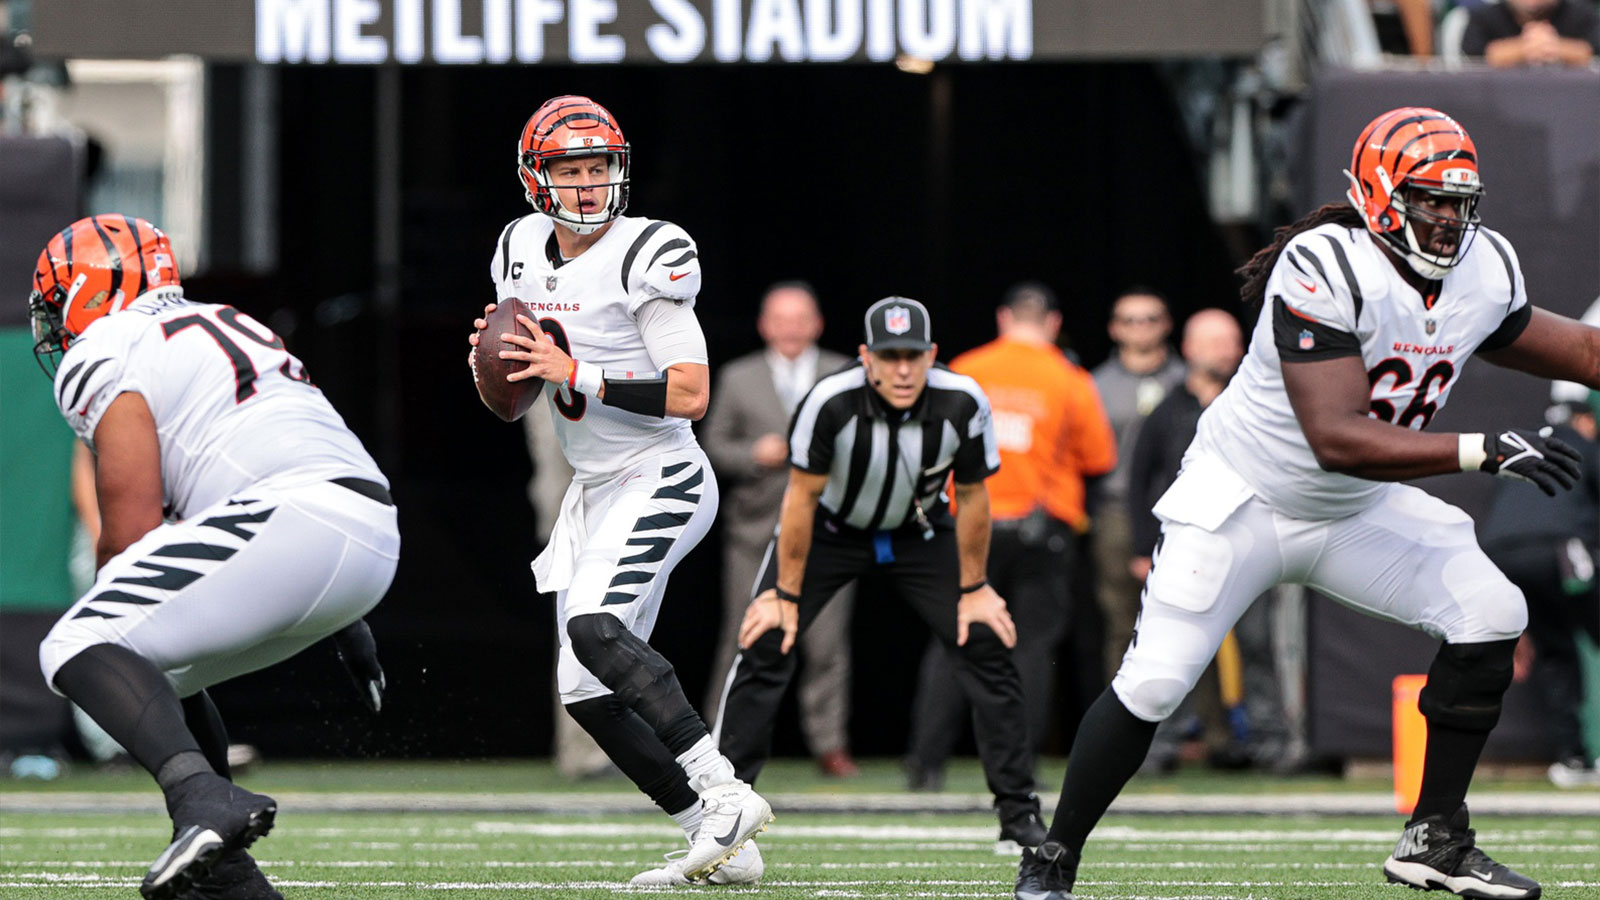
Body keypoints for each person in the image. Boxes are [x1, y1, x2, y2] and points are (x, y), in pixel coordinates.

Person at [1015, 106, 1596, 900]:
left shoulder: (1484, 267)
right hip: (1246, 500)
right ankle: (1052, 856)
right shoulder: (1324, 262)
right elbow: (1336, 436)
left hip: (1353, 508)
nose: (1448, 219)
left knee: (1492, 610)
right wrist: (1483, 449)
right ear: (1378, 193)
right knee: (1155, 682)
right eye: (1429, 199)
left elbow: (1586, 351)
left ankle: (1436, 840)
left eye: (1460, 202)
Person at [27, 215, 398, 900]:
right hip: (365, 530)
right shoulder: (232, 323)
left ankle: (204, 801)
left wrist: (117, 650)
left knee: (79, 643)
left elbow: (131, 529)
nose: (55, 329)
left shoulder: (108, 345)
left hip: (292, 519)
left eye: (57, 305)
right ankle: (228, 870)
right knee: (162, 667)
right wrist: (347, 618)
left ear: (87, 290)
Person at [466, 95, 771, 886]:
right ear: (539, 178)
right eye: (572, 170)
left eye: (601, 167)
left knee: (598, 627)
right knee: (581, 684)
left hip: (661, 473)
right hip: (596, 487)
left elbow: (691, 393)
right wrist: (498, 358)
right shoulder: (518, 245)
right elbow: (521, 375)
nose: (590, 185)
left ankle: (723, 788)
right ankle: (712, 833)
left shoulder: (649, 252)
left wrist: (580, 374)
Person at [717, 296, 1048, 854]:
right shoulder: (830, 401)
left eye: (912, 356)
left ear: (932, 356)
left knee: (985, 639)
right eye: (889, 356)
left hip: (918, 531)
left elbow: (970, 496)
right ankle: (725, 814)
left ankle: (1020, 818)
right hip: (831, 529)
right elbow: (800, 499)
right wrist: (784, 593)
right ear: (865, 357)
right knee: (766, 637)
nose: (901, 369)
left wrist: (974, 588)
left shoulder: (962, 400)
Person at [905, 282, 1115, 789]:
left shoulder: (967, 368)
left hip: (968, 526)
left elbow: (923, 441)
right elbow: (1099, 459)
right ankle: (1016, 767)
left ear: (1003, 319)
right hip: (1043, 533)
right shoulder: (1070, 378)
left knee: (954, 643)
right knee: (1030, 650)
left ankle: (925, 765)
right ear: (1053, 324)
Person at [700, 281, 859, 778]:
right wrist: (753, 454)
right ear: (765, 325)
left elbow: (868, 442)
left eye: (800, 318)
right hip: (755, 533)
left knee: (827, 645)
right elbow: (710, 445)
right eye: (780, 318)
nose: (790, 328)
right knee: (740, 636)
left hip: (827, 530)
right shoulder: (738, 376)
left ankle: (829, 744)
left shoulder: (843, 373)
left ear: (816, 323)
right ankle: (717, 745)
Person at [1480, 383, 1599, 787]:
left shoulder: (1526, 446)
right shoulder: (1582, 444)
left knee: (1555, 651)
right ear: (1584, 421)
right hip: (1563, 551)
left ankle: (1573, 759)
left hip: (1504, 557)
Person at [1091, 289, 1186, 685]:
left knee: (1186, 620)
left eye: (1150, 318)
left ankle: (1201, 730)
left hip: (1183, 510)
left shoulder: (1187, 380)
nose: (1141, 328)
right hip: (1116, 511)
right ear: (1114, 329)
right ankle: (1120, 720)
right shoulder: (1095, 384)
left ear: (1166, 324)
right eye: (1130, 320)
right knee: (1121, 620)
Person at [1461, 0, 1600, 67]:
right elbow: (1475, 55)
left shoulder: (1583, 14)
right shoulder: (1483, 17)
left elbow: (1591, 50)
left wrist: (1554, 46)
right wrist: (1524, 47)